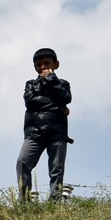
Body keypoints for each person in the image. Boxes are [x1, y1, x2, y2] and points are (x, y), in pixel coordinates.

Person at [16, 47, 73, 202]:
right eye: (39, 64)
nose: (42, 67)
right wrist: (58, 107)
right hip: (34, 132)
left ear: (56, 64)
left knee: (56, 169)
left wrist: (51, 80)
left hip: (57, 132)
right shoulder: (30, 84)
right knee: (22, 162)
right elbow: (30, 102)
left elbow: (66, 97)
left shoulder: (62, 83)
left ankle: (54, 203)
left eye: (46, 63)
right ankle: (25, 203)